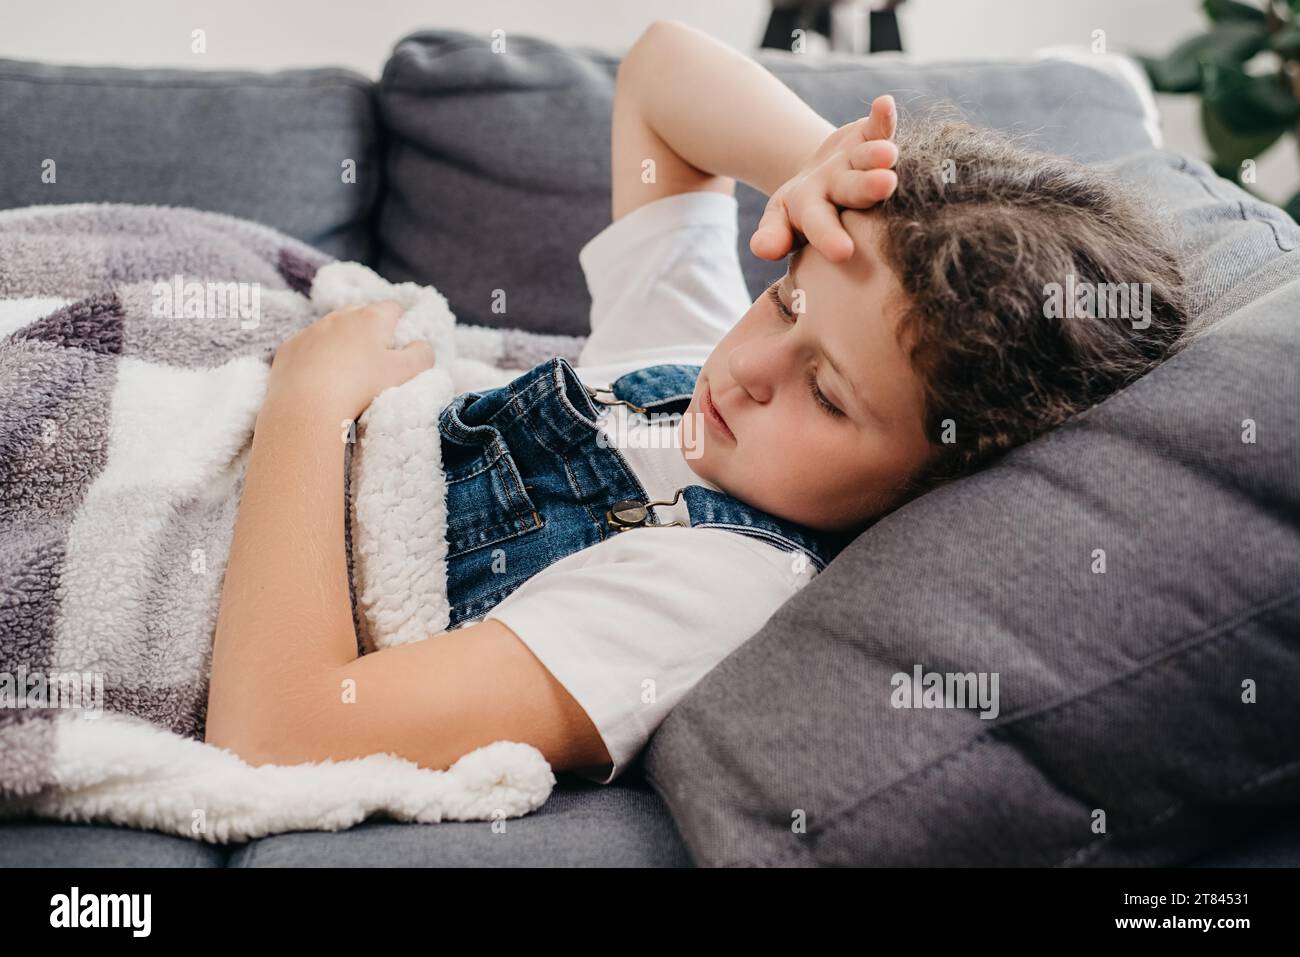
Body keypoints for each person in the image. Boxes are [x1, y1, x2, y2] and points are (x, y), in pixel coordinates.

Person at [205, 21, 1187, 785]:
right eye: (783, 300)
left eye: (828, 397)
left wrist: (308, 404)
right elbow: (659, 72)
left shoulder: (713, 591)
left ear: (931, 487)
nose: (752, 367)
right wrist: (815, 166)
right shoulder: (692, 370)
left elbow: (283, 732)